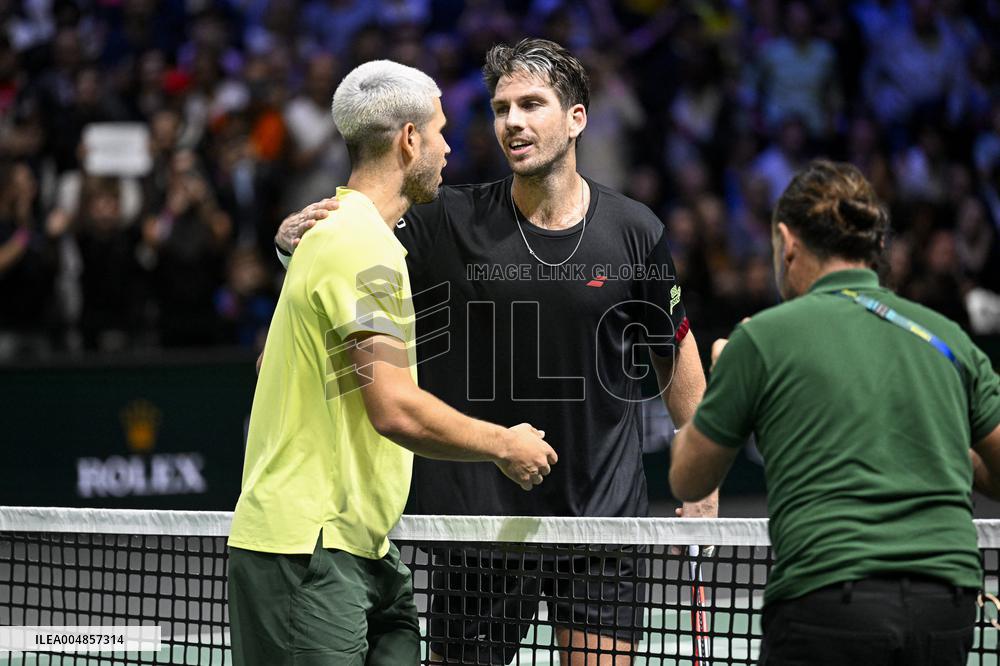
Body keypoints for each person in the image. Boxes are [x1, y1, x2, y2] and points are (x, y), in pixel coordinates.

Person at [276, 39, 714, 665]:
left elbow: (674, 350)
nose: (513, 121)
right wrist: (290, 238)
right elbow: (346, 237)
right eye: (502, 107)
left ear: (576, 118)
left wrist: (700, 478)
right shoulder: (443, 220)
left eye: (532, 104)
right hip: (480, 528)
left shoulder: (633, 230)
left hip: (599, 521)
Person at [227, 60, 558, 666]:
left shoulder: (338, 235)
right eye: (440, 130)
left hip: (363, 548)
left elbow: (276, 369)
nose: (449, 146)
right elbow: (394, 408)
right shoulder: (355, 243)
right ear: (410, 140)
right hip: (309, 547)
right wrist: (503, 445)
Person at [669, 159, 1000, 666]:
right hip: (945, 606)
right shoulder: (948, 339)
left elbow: (688, 478)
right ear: (875, 246)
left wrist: (723, 374)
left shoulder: (762, 338)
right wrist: (942, 448)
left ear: (788, 242)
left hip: (826, 603)